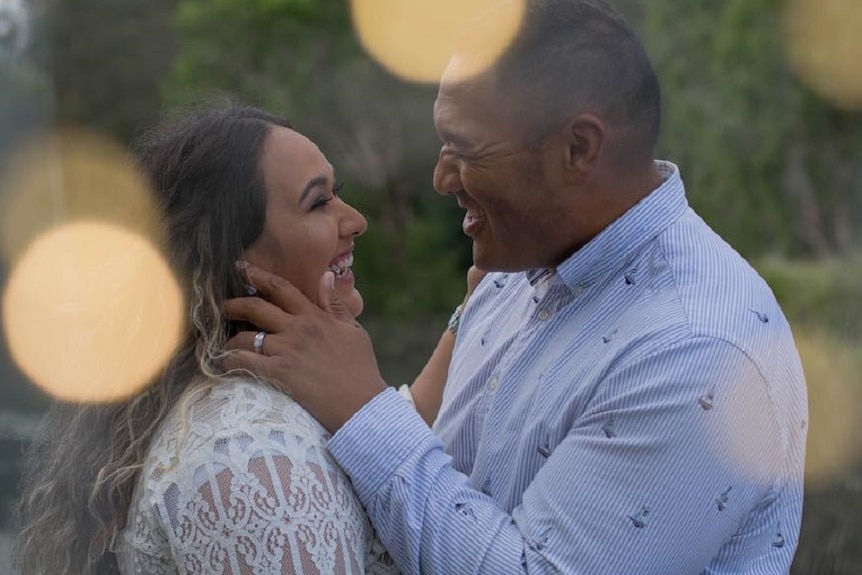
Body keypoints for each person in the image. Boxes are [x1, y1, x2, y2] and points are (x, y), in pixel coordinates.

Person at [223, 1, 809, 574]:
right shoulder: (524, 259)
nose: (441, 176)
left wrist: (363, 408)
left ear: (577, 149)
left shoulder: (697, 353)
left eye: (466, 148)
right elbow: (437, 460)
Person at [13, 104, 473, 575]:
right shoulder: (257, 458)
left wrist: (476, 305)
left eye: (338, 194)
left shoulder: (234, 405)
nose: (355, 221)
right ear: (237, 261)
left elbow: (390, 432)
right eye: (318, 202)